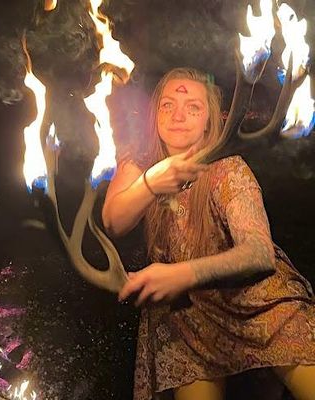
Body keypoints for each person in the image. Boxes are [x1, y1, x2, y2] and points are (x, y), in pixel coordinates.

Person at [102, 67, 315, 400]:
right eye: (167, 105)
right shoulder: (141, 164)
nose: (178, 116)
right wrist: (151, 183)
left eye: (193, 107)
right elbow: (114, 221)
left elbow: (259, 253)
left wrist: (181, 274)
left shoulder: (227, 168)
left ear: (208, 120)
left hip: (257, 303)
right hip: (187, 315)